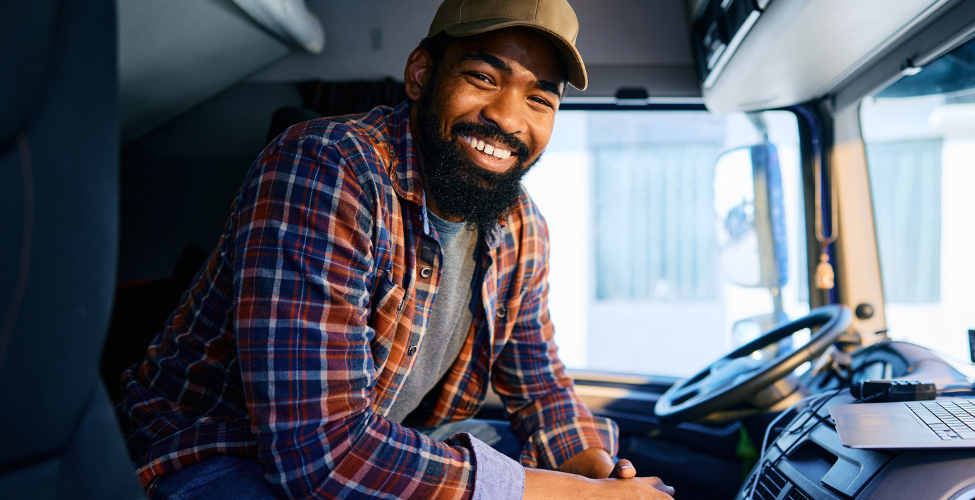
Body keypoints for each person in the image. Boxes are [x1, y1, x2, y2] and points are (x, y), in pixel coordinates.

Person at [114, 0, 674, 498]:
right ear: (421, 74)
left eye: (539, 100)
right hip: (218, 459)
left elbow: (541, 383)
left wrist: (595, 474)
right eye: (482, 77)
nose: (508, 117)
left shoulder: (521, 224)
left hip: (378, 437)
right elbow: (319, 454)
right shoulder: (326, 171)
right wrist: (573, 497)